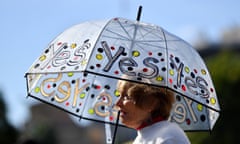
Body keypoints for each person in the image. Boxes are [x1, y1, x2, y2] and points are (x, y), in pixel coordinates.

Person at [115, 78, 191, 144]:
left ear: (151, 103)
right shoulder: (140, 138)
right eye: (119, 96)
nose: (118, 103)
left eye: (126, 97)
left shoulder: (168, 135)